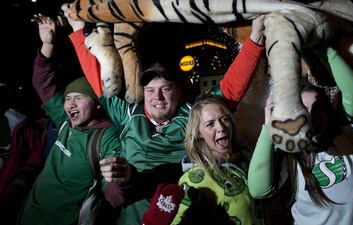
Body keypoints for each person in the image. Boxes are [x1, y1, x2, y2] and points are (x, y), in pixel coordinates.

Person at [63, 4, 266, 224]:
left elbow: (230, 89)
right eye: (150, 90)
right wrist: (77, 32)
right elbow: (100, 83)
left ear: (179, 91)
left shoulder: (192, 114)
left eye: (165, 89)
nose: (156, 97)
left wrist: (255, 38)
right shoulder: (130, 112)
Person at [248, 46, 353, 225]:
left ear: (328, 110)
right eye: (303, 108)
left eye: (318, 107)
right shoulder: (288, 153)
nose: (311, 114)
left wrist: (323, 46)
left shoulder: (348, 134)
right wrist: (269, 128)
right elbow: (259, 190)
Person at [18, 14, 121, 225]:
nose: (70, 104)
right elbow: (43, 82)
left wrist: (121, 180)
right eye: (67, 99)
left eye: (79, 98)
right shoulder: (65, 120)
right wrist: (47, 44)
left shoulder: (106, 137)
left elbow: (114, 198)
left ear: (97, 103)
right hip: (28, 215)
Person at [170, 95, 264, 224]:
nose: (221, 127)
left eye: (224, 119)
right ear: (198, 133)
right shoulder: (194, 180)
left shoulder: (249, 159)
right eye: (210, 124)